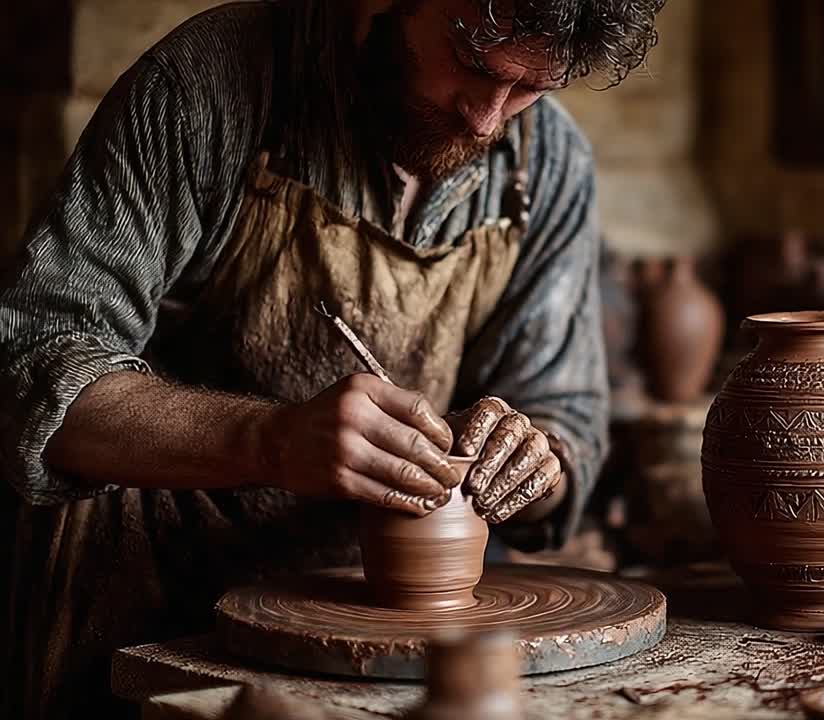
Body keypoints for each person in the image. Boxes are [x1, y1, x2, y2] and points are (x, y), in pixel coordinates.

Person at [0, 0, 664, 716]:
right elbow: (32, 365)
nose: (486, 119)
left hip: (385, 638)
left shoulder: (549, 163)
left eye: (532, 87)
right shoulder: (211, 82)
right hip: (151, 611)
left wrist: (535, 461)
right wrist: (269, 439)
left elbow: (565, 420)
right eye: (472, 63)